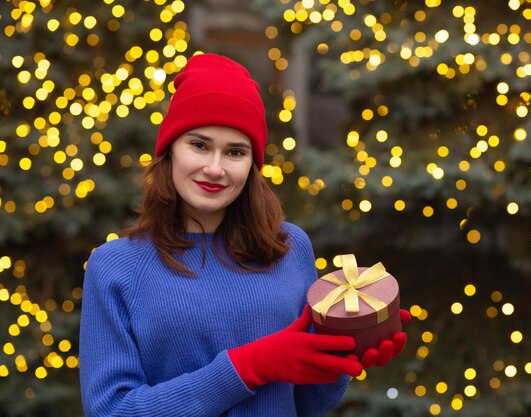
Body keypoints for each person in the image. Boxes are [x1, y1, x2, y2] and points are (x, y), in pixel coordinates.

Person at [79, 53, 410, 417]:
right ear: (170, 149)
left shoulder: (289, 247)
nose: (215, 168)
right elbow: (111, 410)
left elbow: (308, 404)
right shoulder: (115, 267)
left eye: (235, 152)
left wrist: (342, 356)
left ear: (252, 164)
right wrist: (247, 367)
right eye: (199, 145)